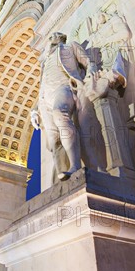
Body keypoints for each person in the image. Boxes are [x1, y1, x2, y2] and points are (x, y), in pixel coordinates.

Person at [31, 32, 100, 181]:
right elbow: (42, 84)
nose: (53, 35)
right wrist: (35, 109)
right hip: (45, 98)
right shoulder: (45, 60)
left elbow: (88, 62)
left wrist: (91, 71)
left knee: (60, 113)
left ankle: (75, 165)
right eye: (51, 36)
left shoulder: (70, 46)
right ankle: (62, 176)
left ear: (63, 38)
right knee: (53, 139)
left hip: (64, 87)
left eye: (56, 35)